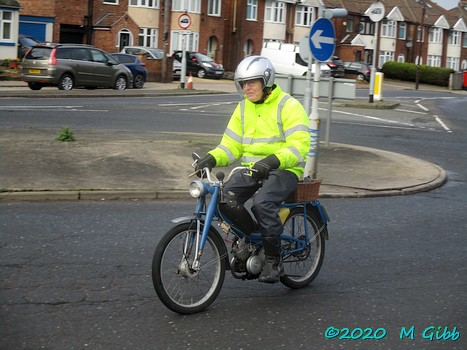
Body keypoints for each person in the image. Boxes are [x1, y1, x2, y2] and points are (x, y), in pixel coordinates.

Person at [196, 56, 310, 283]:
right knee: (224, 199)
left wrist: (272, 161)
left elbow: (299, 146)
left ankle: (272, 260)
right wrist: (211, 158)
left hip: (284, 168)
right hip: (251, 168)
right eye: (242, 83)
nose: (246, 88)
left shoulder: (288, 106)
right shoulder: (243, 109)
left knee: (262, 204)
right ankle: (255, 239)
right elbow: (231, 145)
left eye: (252, 82)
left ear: (266, 80)